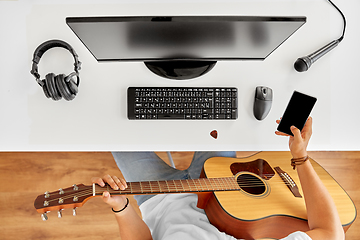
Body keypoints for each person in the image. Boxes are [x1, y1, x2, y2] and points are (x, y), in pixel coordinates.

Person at [91, 117, 345, 240]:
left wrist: (122, 208)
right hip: (222, 188)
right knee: (221, 111)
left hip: (159, 199)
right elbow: (332, 234)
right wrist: (300, 156)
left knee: (110, 124)